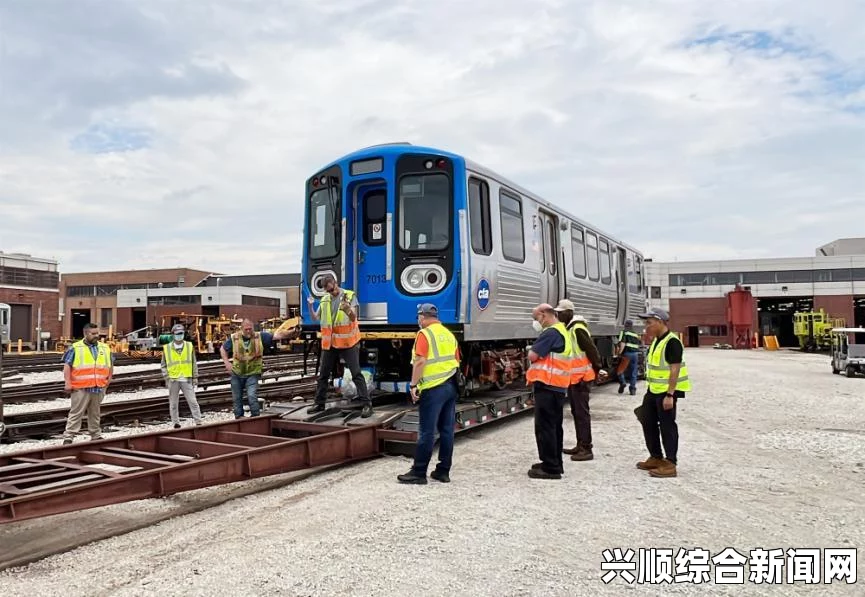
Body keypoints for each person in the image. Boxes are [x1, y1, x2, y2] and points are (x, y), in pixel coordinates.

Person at [397, 303, 460, 485]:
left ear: (422, 317)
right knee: (447, 430)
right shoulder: (449, 334)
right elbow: (456, 361)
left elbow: (420, 361)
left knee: (426, 431)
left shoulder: (424, 334)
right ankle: (443, 471)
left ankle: (419, 472)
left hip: (433, 388)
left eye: (418, 317)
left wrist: (413, 385)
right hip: (451, 386)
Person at [306, 274, 373, 418]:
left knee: (356, 373)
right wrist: (310, 306)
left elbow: (354, 317)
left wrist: (347, 309)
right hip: (330, 343)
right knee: (323, 374)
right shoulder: (324, 300)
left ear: (335, 283)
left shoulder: (349, 296)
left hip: (348, 342)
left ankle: (366, 404)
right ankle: (319, 403)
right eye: (327, 291)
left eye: (331, 289)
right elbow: (315, 318)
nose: (330, 293)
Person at [635, 307, 691, 478]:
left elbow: (674, 370)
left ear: (660, 322)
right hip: (653, 391)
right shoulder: (657, 341)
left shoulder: (672, 342)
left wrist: (670, 395)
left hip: (665, 393)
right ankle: (656, 457)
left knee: (667, 426)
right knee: (647, 421)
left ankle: (670, 463)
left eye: (649, 323)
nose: (647, 327)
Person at [553, 300, 607, 461]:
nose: (559, 314)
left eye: (561, 312)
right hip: (574, 379)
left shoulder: (577, 329)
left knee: (582, 414)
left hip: (582, 378)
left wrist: (598, 369)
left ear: (569, 312)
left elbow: (591, 350)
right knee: (577, 412)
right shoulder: (570, 329)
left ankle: (586, 448)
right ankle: (581, 444)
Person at [526, 303, 574, 479]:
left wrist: (531, 351)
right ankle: (554, 462)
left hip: (548, 385)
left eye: (536, 318)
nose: (536, 322)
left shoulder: (551, 332)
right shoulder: (562, 330)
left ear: (544, 314)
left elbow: (533, 355)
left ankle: (550, 468)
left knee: (545, 427)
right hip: (557, 386)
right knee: (554, 427)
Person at [220, 319, 291, 419]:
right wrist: (226, 363)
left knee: (251, 395)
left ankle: (255, 417)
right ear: (242, 329)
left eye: (250, 329)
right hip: (237, 373)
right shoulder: (235, 338)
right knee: (237, 398)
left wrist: (291, 332)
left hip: (252, 373)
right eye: (246, 329)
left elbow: (277, 336)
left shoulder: (259, 336)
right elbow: (223, 349)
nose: (248, 331)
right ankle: (239, 417)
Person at [61, 323, 114, 445]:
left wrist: (109, 379)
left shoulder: (105, 348)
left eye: (97, 333)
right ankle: (69, 436)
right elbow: (67, 366)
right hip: (81, 387)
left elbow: (110, 364)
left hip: (98, 386)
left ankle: (95, 435)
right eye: (93, 333)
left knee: (95, 412)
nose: (97, 335)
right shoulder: (75, 348)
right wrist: (68, 383)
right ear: (86, 333)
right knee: (76, 412)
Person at [161, 324, 203, 428]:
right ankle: (175, 422)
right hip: (173, 379)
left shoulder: (189, 346)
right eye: (178, 334)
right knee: (173, 403)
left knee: (193, 401)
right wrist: (167, 377)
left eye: (181, 333)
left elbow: (193, 362)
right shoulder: (167, 348)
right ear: (173, 335)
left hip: (186, 378)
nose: (180, 335)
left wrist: (195, 377)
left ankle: (198, 421)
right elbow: (163, 365)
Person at [615, 319, 641, 396]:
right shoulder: (635, 334)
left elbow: (622, 343)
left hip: (627, 354)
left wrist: (619, 353)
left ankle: (623, 382)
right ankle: (632, 389)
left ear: (625, 325)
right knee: (633, 372)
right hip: (635, 354)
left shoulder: (624, 332)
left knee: (620, 370)